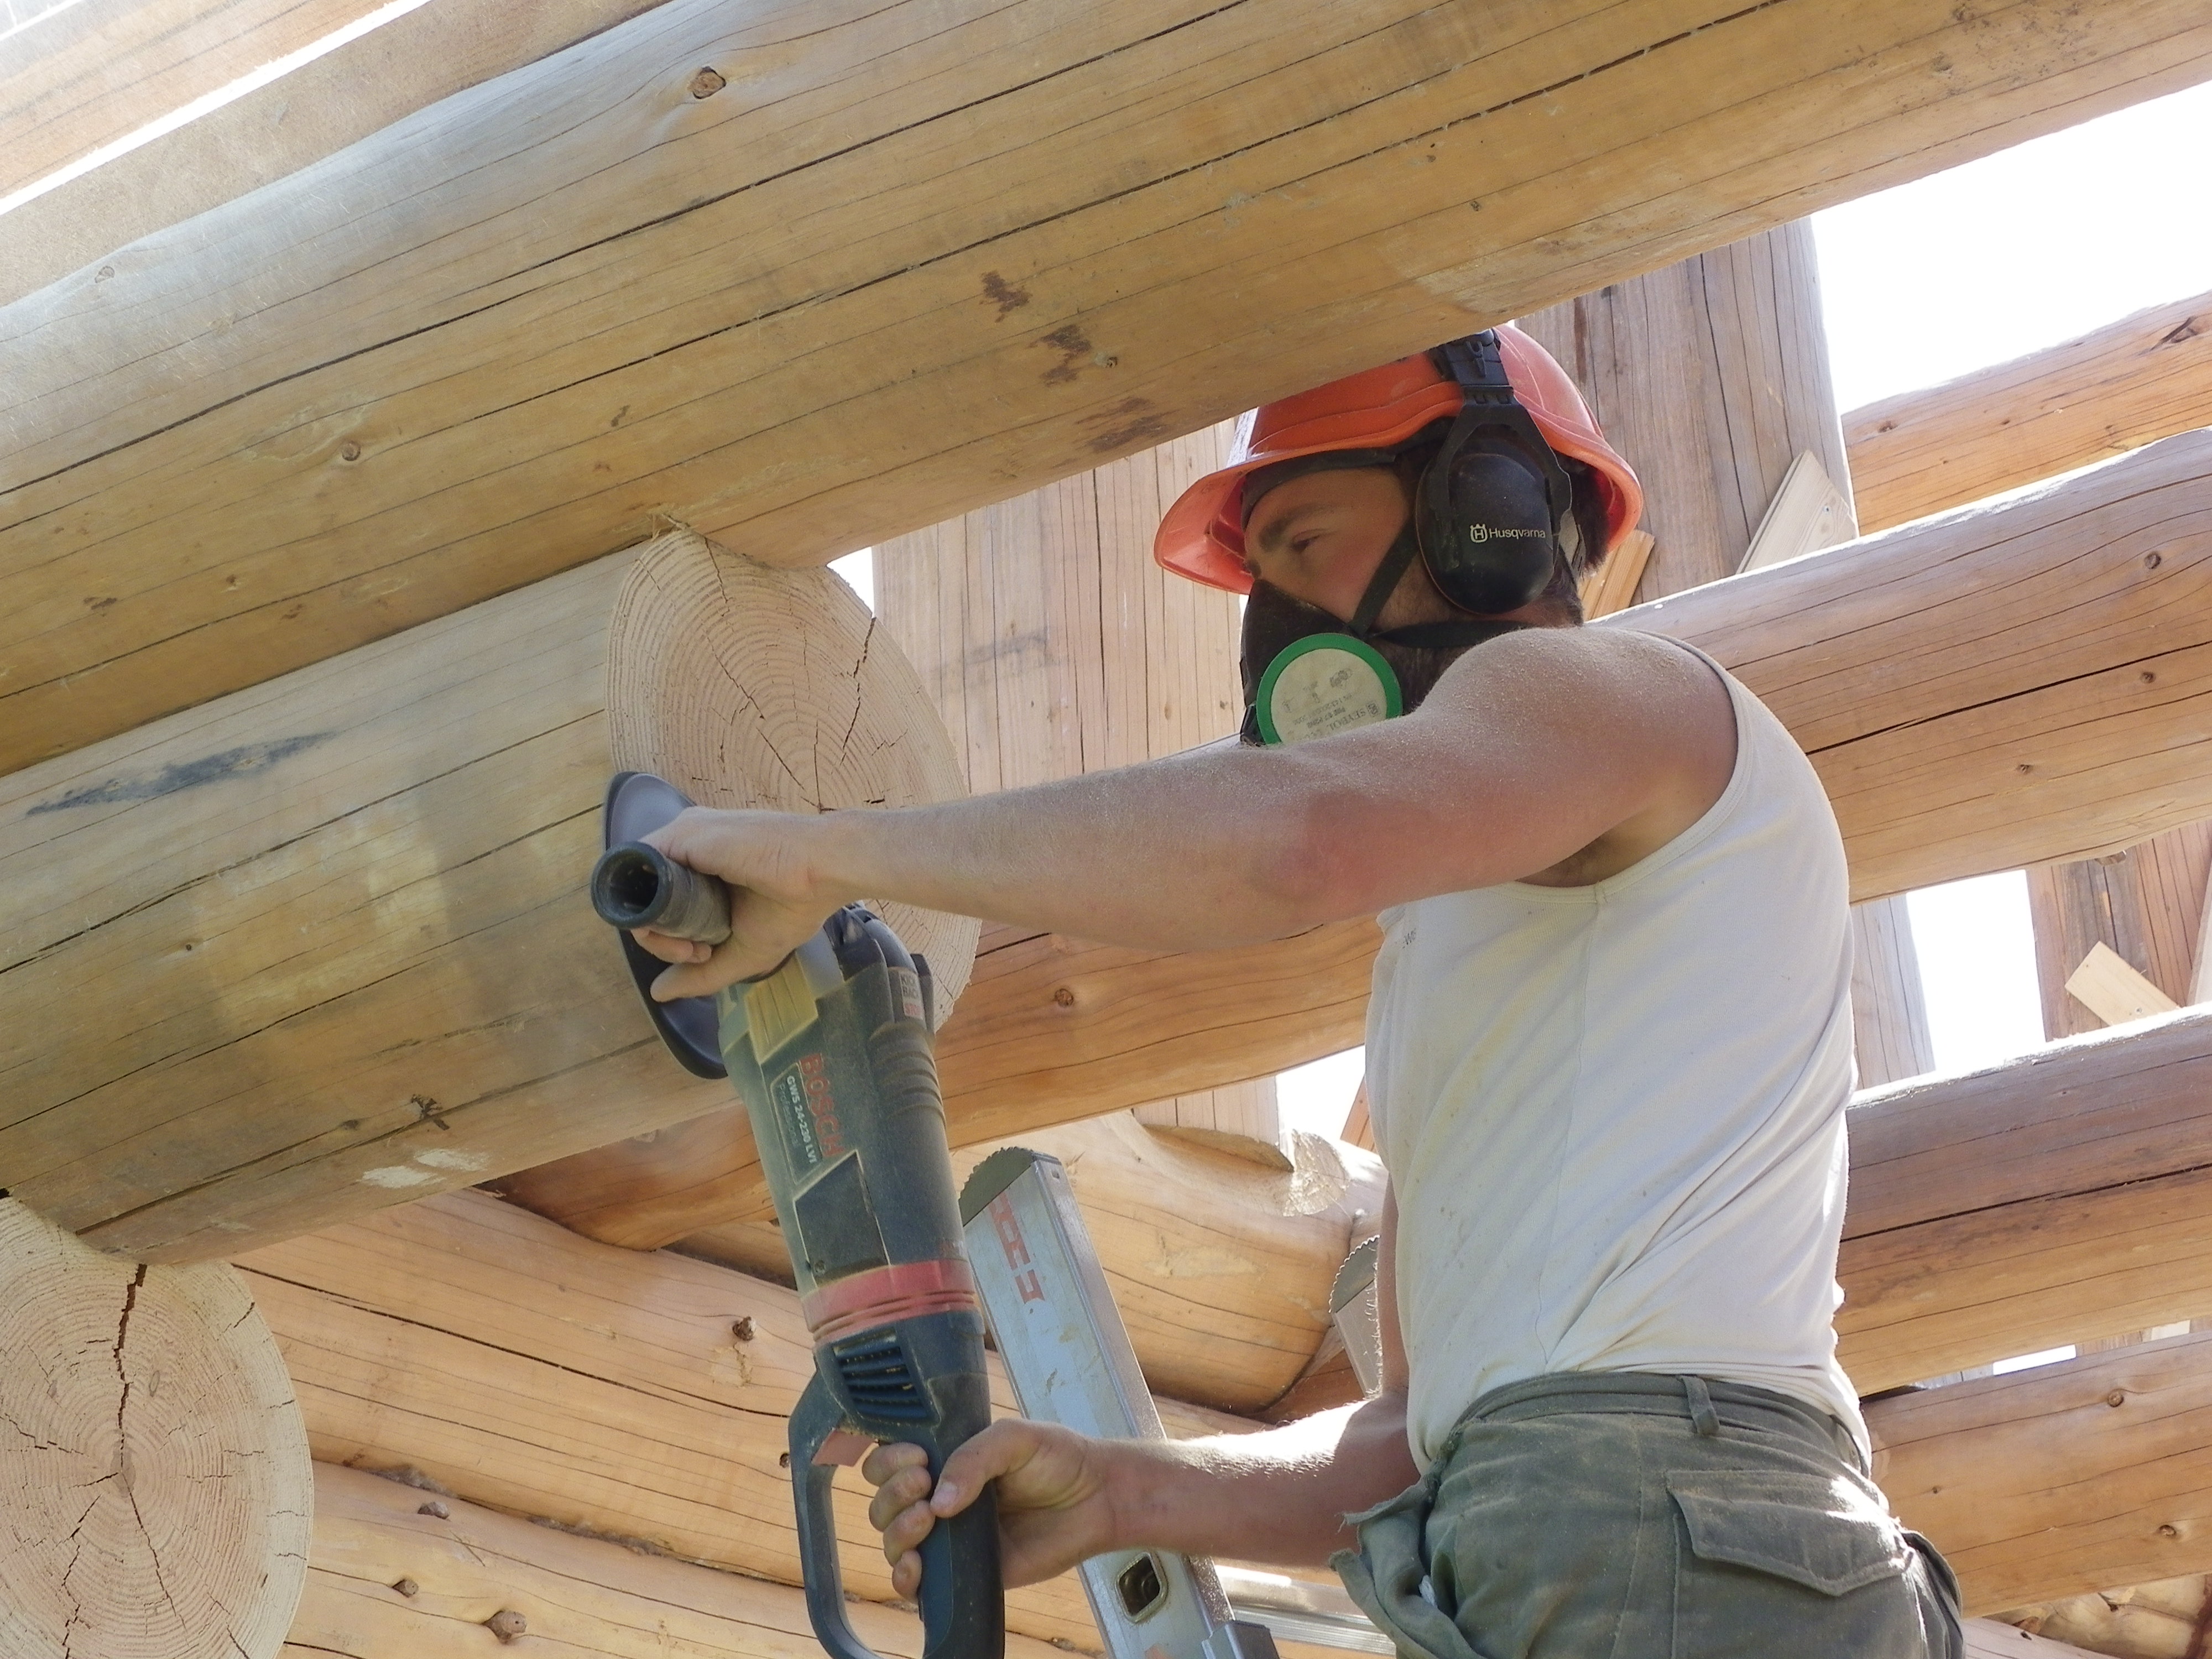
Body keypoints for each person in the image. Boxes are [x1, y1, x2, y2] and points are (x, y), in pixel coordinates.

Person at [630, 326, 1965, 1658]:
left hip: (1660, 1520)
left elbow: (1298, 840)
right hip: (1623, 1536)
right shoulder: (1477, 944)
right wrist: (1121, 1491)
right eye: (1257, 582)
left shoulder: (1607, 690)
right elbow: (1400, 1445)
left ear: (1486, 513)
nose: (1275, 627)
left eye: (1302, 543)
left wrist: (825, 853)